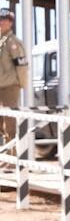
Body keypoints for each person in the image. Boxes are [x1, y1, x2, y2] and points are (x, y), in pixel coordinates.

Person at [0, 8, 28, 143]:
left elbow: (21, 65)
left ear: (10, 23)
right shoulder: (2, 41)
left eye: (4, 20)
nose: (1, 22)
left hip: (9, 86)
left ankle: (13, 155)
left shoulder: (13, 42)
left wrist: (21, 83)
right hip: (1, 86)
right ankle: (5, 156)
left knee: (9, 122)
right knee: (1, 123)